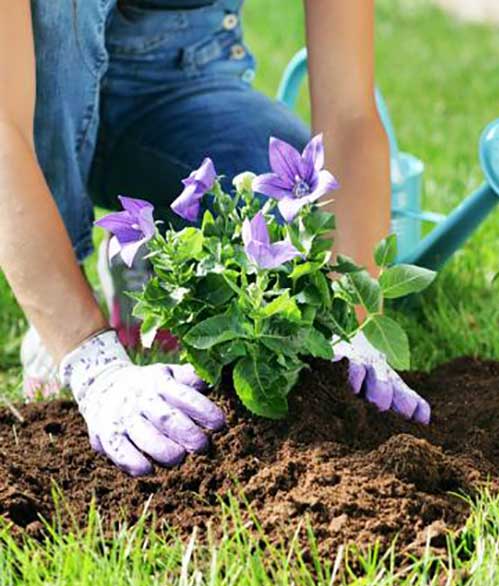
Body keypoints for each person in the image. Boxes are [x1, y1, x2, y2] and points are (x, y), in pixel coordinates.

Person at [1, 0, 430, 477]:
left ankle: (146, 249)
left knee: (289, 213)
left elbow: (349, 114)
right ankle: (56, 305)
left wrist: (349, 322)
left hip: (175, 80)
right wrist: (90, 359)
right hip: (36, 88)